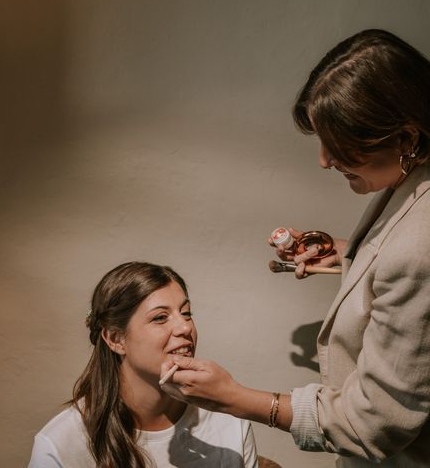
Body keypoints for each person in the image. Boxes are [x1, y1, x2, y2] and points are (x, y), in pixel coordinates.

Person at [159, 28, 430, 467]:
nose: (324, 159)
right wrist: (346, 253)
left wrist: (236, 399)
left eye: (337, 144)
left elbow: (373, 425)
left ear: (405, 138)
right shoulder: (412, 178)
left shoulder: (421, 243)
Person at [28, 261, 258, 467]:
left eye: (186, 313)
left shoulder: (230, 425)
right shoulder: (60, 445)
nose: (186, 328)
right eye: (160, 317)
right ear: (116, 339)